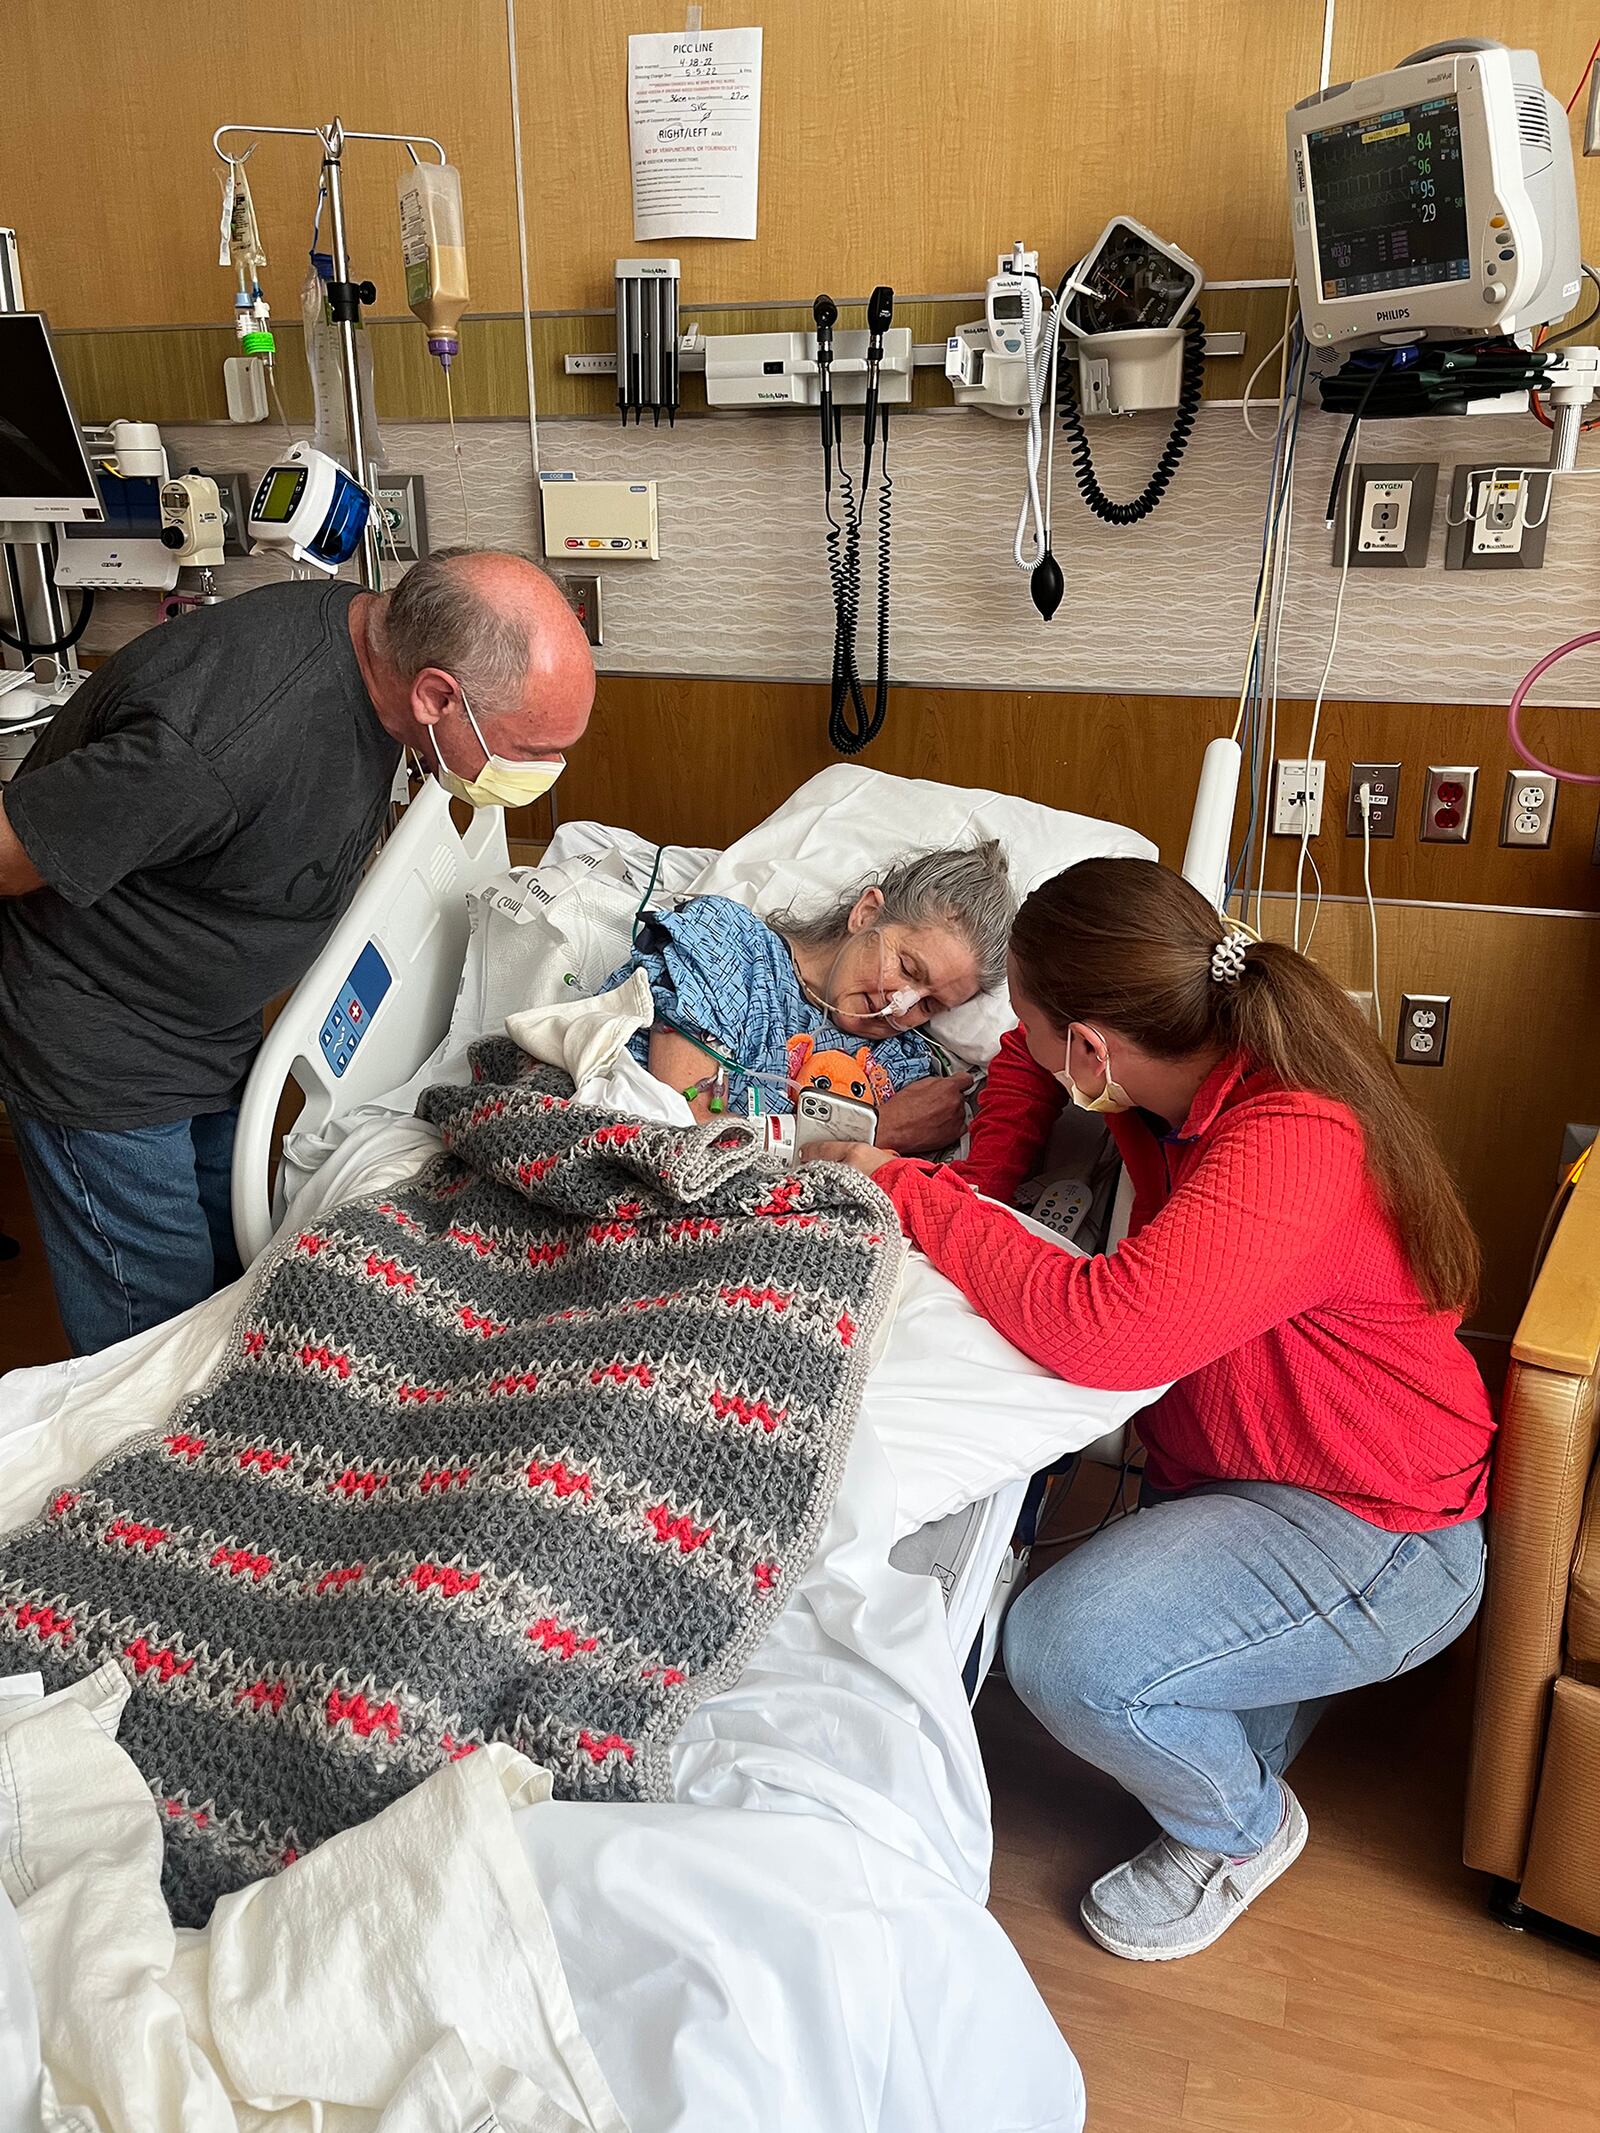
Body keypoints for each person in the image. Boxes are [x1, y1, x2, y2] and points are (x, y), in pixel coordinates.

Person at [803, 856, 1494, 1960]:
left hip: (1380, 1529)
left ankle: (1242, 1831)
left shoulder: (1289, 1143)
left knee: (1065, 1652)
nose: (1010, 1046)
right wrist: (991, 1150)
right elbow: (1028, 1076)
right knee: (1165, 1683)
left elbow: (1100, 1329)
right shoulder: (1177, 1070)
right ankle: (1254, 1693)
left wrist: (904, 1186)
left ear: (1093, 1048)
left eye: (1026, 1025)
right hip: (1249, 1485)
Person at [0, 548, 595, 1356]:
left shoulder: (375, 635)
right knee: (152, 1330)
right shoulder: (218, 741)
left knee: (221, 1277)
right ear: (435, 696)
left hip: (209, 1019)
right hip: (104, 1033)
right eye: (529, 750)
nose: (542, 773)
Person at [601, 843, 1013, 1154]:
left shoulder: (901, 1064)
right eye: (907, 969)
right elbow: (687, 1134)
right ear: (866, 914)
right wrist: (873, 1132)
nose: (901, 1006)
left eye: (930, 1005)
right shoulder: (727, 946)